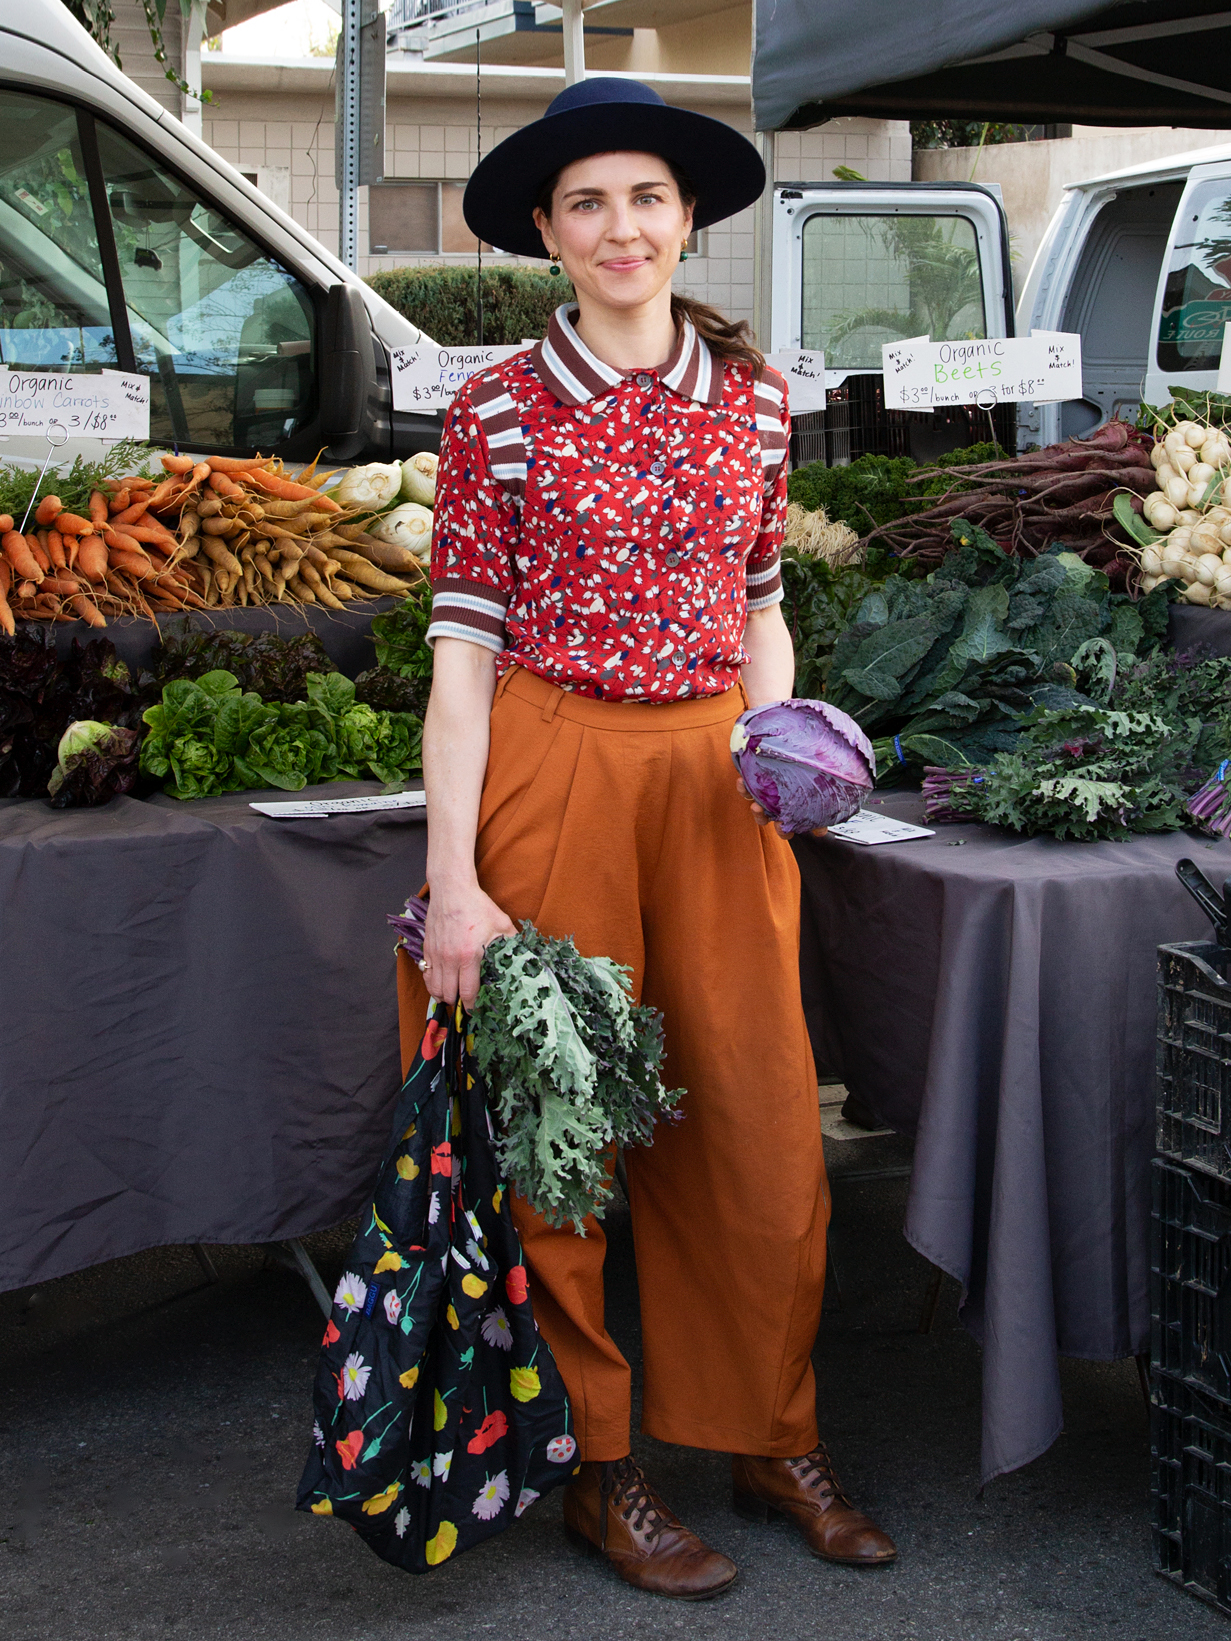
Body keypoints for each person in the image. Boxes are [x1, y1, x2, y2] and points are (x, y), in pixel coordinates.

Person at [401, 77, 896, 1599]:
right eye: (588, 203)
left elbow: (762, 601)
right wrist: (455, 884)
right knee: (568, 1130)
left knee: (758, 1120)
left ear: (690, 219)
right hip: (554, 772)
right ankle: (600, 1465)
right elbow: (463, 662)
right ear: (548, 234)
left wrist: (786, 741)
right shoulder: (492, 410)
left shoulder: (757, 400)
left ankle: (768, 1428)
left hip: (715, 779)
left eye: (647, 198)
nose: (623, 227)